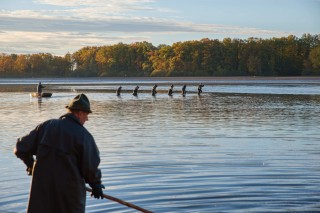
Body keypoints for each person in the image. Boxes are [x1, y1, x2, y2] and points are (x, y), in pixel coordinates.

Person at [14, 94, 105, 213]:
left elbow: (20, 148)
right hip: (69, 199)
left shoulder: (46, 126)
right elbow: (90, 167)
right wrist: (96, 185)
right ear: (79, 113)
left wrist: (31, 164)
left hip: (42, 196)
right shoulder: (84, 136)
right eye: (87, 114)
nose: (87, 119)